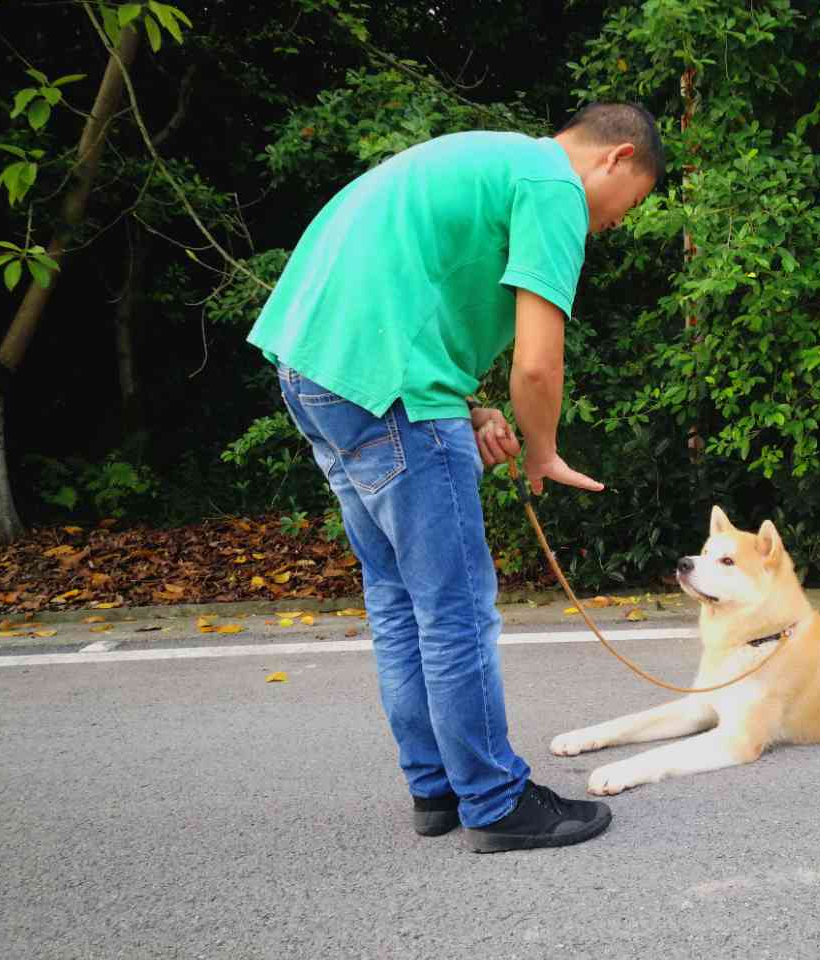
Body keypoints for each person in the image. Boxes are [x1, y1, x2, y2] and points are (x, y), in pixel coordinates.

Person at [246, 102, 662, 853]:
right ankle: (497, 802)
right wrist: (543, 450)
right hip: (391, 385)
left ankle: (437, 788)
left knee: (401, 600)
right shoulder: (553, 184)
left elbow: (407, 285)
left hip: (315, 368)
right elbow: (538, 360)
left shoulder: (487, 159)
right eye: (626, 209)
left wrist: (463, 404)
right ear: (617, 158)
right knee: (457, 609)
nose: (611, 227)